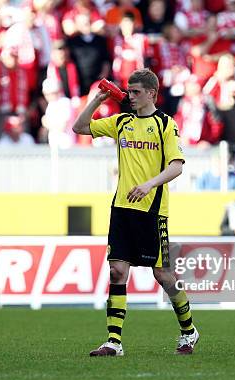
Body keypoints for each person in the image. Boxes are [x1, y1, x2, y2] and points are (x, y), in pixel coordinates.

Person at [72, 68, 200, 357]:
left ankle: (188, 330)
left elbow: (177, 166)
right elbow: (79, 128)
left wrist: (149, 184)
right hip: (121, 209)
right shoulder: (121, 122)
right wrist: (97, 100)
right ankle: (113, 342)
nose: (130, 96)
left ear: (151, 94)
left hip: (153, 212)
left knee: (164, 276)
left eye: (136, 92)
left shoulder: (166, 124)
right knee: (117, 271)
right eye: (128, 91)